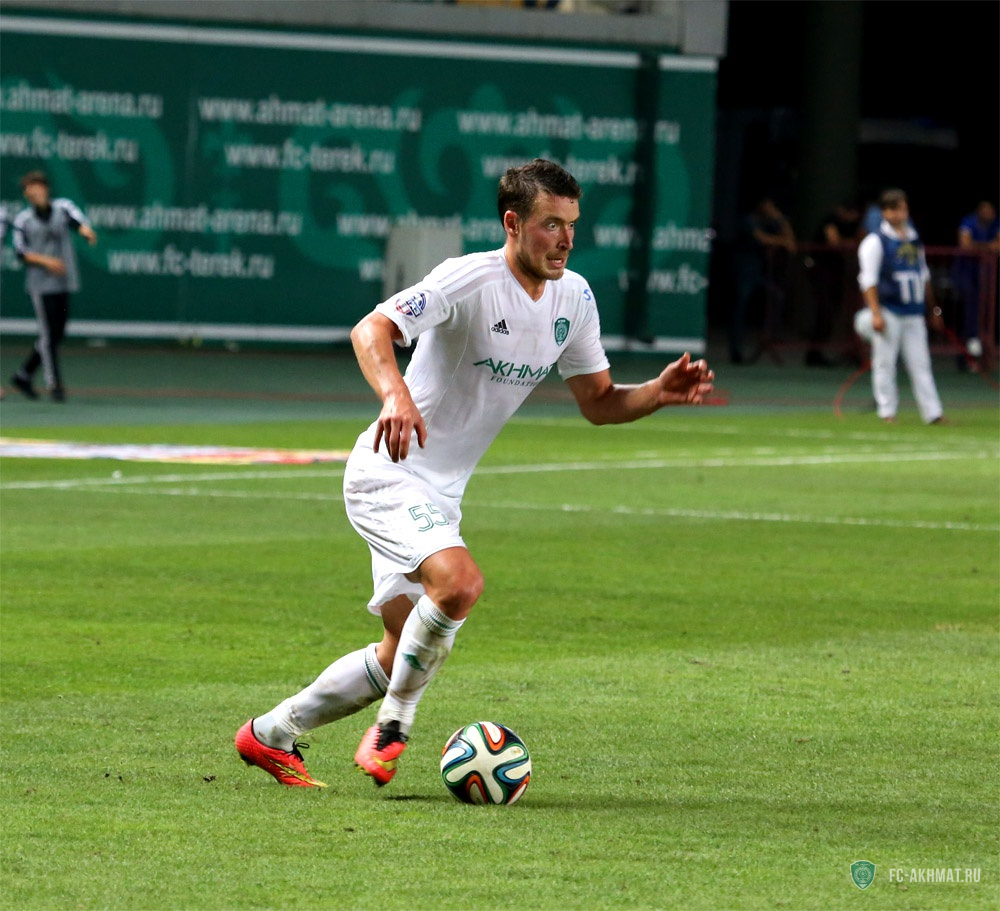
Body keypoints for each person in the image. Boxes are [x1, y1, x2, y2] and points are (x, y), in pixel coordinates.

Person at [235, 158, 715, 789]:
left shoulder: (574, 297)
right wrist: (394, 396)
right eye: (551, 225)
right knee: (459, 585)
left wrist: (656, 392)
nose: (566, 240)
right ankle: (393, 726)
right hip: (388, 472)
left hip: (442, 493)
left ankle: (270, 733)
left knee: (401, 650)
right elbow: (371, 328)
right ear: (513, 224)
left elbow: (599, 402)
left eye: (572, 225)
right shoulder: (469, 279)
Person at [854, 188, 944, 424]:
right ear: (884, 212)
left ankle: (933, 413)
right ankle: (887, 411)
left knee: (921, 364)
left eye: (902, 209)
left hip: (913, 312)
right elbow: (868, 281)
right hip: (889, 309)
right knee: (885, 362)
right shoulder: (876, 241)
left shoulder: (913, 238)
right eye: (893, 209)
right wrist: (876, 313)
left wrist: (933, 309)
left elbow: (923, 275)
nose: (899, 214)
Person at [8, 170, 97, 402]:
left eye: (37, 187)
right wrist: (47, 261)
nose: (34, 193)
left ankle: (24, 374)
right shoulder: (23, 220)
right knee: (48, 334)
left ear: (46, 189)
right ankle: (54, 383)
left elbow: (78, 222)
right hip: (41, 286)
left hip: (64, 282)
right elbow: (20, 252)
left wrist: (86, 231)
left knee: (57, 334)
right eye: (29, 190)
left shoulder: (63, 208)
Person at [727, 196, 797, 364]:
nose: (770, 209)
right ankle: (736, 350)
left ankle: (768, 336)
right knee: (740, 309)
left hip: (759, 272)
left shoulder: (770, 222)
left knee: (776, 297)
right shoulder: (748, 221)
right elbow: (762, 238)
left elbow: (791, 241)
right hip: (743, 270)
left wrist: (780, 219)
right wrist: (782, 241)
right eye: (768, 205)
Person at [806, 201, 860, 367]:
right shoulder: (830, 221)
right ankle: (813, 353)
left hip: (835, 275)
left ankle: (817, 353)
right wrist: (851, 242)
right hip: (821, 272)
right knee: (824, 311)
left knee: (831, 313)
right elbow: (834, 241)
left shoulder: (850, 226)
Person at [952, 200, 999, 359]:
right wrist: (987, 247)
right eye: (985, 210)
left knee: (985, 311)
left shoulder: (995, 223)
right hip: (965, 273)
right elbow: (965, 244)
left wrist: (977, 246)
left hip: (986, 275)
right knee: (968, 310)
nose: (988, 213)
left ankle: (980, 348)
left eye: (990, 210)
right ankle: (966, 348)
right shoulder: (969, 221)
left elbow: (998, 246)